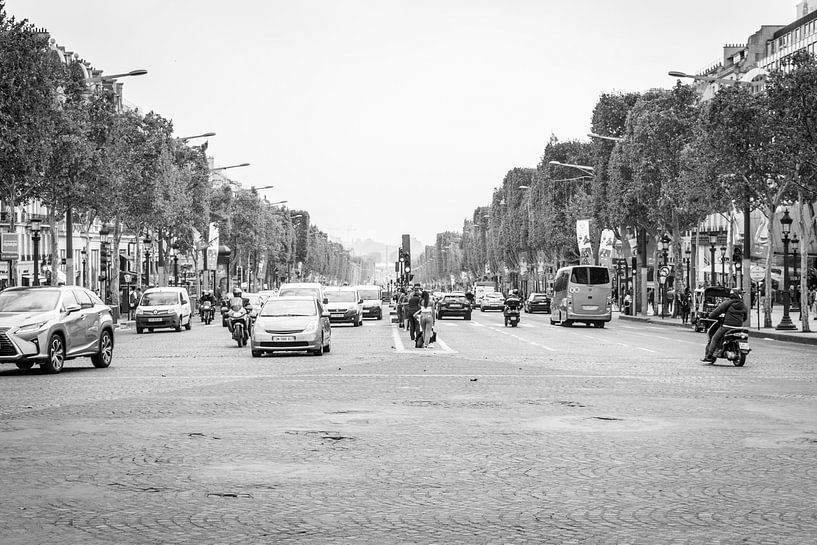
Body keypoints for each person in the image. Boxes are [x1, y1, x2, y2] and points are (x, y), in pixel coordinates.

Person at [703, 288, 748, 363]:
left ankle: (709, 355)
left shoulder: (728, 302)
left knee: (714, 338)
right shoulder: (743, 305)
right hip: (739, 327)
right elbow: (745, 317)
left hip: (727, 326)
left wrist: (710, 316)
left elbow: (718, 310)